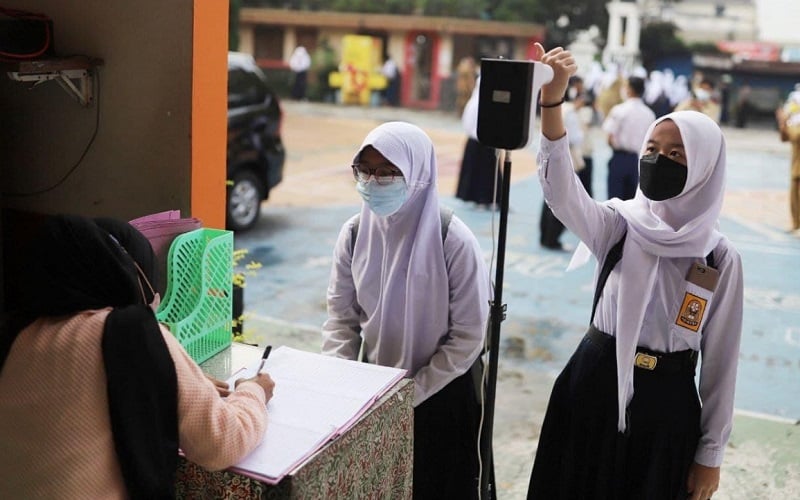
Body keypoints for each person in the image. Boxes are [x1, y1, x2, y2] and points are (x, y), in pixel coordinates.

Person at [528, 43, 744, 500]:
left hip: (667, 405)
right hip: (593, 384)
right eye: (652, 148)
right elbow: (561, 192)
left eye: (676, 156)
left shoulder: (718, 258)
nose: (657, 160)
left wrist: (710, 455)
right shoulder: (619, 224)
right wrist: (552, 102)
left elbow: (721, 362)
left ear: (705, 170)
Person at [0, 214, 275, 498]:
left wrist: (167, 376)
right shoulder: (130, 333)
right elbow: (222, 443)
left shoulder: (14, 335)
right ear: (128, 274)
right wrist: (254, 392)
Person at [321, 121, 493, 499]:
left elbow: (468, 336)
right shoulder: (353, 234)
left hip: (442, 394)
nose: (372, 181)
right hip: (375, 391)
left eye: (387, 172)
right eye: (364, 170)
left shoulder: (453, 240)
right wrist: (338, 382)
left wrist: (411, 395)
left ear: (417, 174)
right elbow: (340, 317)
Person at [540, 75, 595, 250]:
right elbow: (576, 137)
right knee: (561, 200)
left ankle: (545, 236)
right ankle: (552, 238)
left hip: (549, 156)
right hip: (566, 157)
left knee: (549, 197)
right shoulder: (570, 112)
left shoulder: (555, 107)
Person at [602, 75, 656, 201]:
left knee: (614, 202)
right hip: (639, 161)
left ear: (629, 90)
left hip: (620, 158)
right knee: (633, 203)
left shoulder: (619, 110)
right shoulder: (650, 114)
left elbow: (609, 136)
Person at [456, 76, 502, 209]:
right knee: (482, 172)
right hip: (480, 143)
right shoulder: (476, 103)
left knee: (485, 172)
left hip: (482, 142)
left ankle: (489, 199)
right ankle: (482, 199)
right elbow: (470, 124)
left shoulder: (476, 102)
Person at [775, 89, 800, 234]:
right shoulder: (795, 122)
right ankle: (796, 224)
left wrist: (786, 121)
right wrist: (783, 123)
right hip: (796, 166)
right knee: (794, 198)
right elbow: (785, 138)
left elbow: (796, 136)